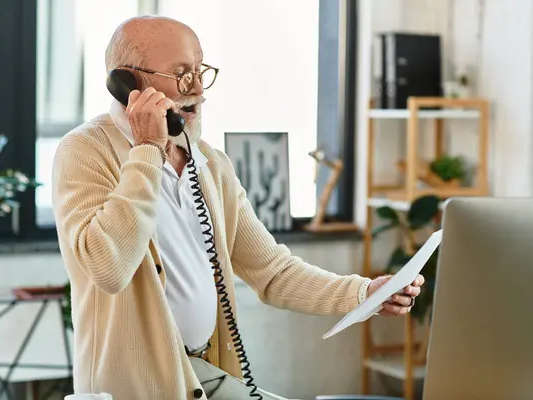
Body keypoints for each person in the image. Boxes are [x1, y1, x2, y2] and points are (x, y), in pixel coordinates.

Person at [52, 15, 424, 400]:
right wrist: (147, 149)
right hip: (134, 387)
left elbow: (272, 272)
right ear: (129, 82)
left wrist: (365, 293)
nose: (197, 88)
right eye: (181, 74)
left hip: (201, 375)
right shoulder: (84, 151)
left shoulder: (211, 164)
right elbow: (107, 268)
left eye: (200, 71)